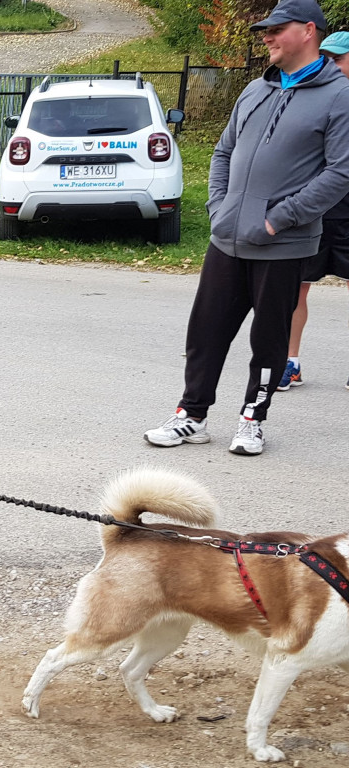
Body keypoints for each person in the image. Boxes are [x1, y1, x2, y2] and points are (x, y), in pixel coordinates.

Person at [144, 0, 349, 456]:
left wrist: (279, 218)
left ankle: (252, 420)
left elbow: (340, 173)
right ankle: (191, 416)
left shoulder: (339, 96)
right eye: (264, 31)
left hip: (283, 243)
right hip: (227, 237)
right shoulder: (255, 90)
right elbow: (222, 154)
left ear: (309, 31)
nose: (267, 37)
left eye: (277, 29)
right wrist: (220, 207)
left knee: (269, 340)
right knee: (206, 331)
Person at [276, 30, 349, 391]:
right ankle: (290, 363)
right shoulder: (313, 98)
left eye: (338, 58)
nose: (331, 65)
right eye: (327, 58)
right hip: (315, 213)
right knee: (296, 291)